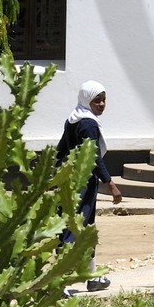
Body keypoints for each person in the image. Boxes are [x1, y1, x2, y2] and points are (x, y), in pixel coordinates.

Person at [57, 80, 124, 292]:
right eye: (97, 100)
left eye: (104, 100)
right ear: (88, 100)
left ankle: (92, 277)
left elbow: (61, 149)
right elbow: (94, 156)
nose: (102, 104)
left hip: (70, 179)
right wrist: (110, 183)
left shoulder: (74, 118)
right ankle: (60, 282)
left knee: (84, 227)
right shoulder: (88, 124)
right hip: (82, 182)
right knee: (75, 227)